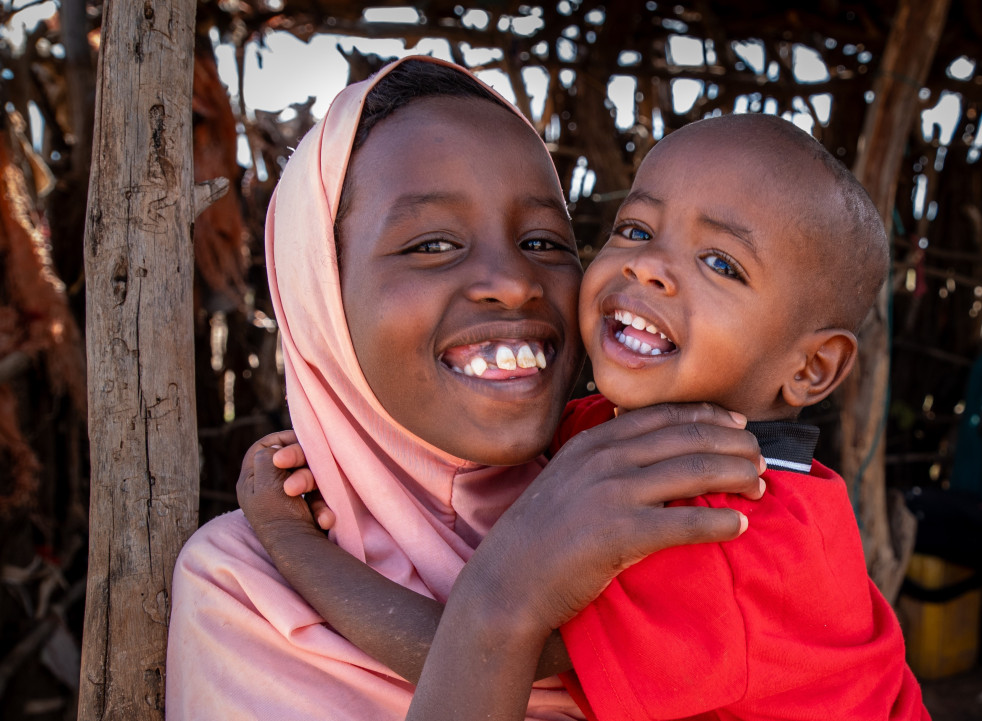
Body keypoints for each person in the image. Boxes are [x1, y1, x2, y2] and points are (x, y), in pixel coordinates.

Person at [247, 112, 930, 719]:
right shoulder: (616, 424)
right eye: (636, 229)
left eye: (720, 262)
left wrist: (295, 547)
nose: (651, 267)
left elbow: (481, 651)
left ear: (809, 369)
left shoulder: (718, 524)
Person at [165, 56, 767, 721]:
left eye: (543, 240)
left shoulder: (664, 509)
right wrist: (504, 601)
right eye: (431, 244)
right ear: (321, 296)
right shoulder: (246, 591)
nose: (512, 281)